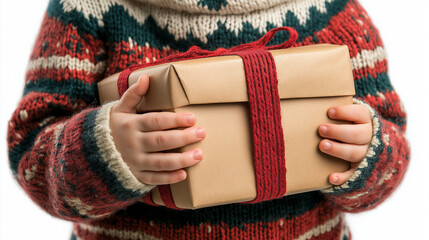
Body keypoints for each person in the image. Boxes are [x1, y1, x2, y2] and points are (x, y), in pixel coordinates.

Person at [7, 0, 409, 239]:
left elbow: (391, 148)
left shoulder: (333, 11)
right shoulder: (88, 9)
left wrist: (367, 151)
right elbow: (32, 160)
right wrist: (102, 150)